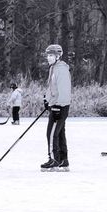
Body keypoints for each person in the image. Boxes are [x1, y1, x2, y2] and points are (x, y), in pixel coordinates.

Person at [40, 44, 72, 172]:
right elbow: (52, 88)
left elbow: (64, 89)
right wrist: (47, 101)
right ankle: (63, 161)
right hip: (56, 105)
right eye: (48, 55)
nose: (48, 58)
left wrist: (58, 105)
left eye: (51, 55)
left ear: (58, 56)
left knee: (52, 133)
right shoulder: (54, 68)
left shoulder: (61, 69)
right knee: (59, 133)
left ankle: (54, 160)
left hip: (60, 106)